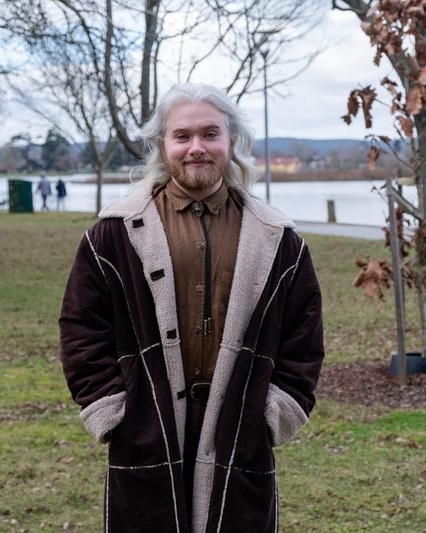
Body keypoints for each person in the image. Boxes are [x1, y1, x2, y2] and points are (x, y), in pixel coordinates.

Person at [59, 83, 324, 532]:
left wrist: (271, 413)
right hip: (147, 425)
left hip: (240, 428)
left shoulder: (280, 241)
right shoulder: (113, 236)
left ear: (231, 142)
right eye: (181, 136)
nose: (196, 148)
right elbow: (82, 328)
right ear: (162, 146)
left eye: (210, 134)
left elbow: (304, 339)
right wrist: (114, 410)